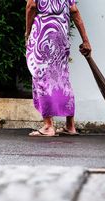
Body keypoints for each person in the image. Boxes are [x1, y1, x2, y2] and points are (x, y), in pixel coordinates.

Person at [25, 0, 91, 136]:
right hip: (61, 32)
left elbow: (31, 6)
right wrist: (85, 40)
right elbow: (74, 10)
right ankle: (70, 126)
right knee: (62, 76)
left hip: (44, 32)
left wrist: (27, 32)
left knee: (41, 74)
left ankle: (48, 126)